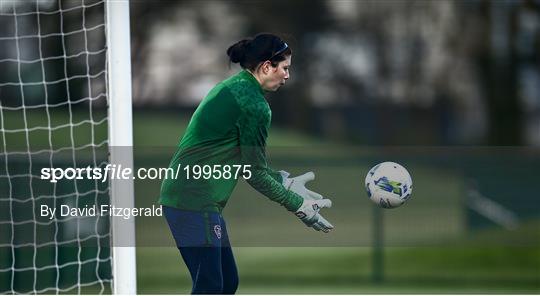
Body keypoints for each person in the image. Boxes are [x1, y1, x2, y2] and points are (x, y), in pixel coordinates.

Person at [159, 33, 333, 295]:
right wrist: (298, 206)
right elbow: (255, 174)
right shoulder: (254, 105)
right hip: (193, 202)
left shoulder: (231, 86)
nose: (287, 76)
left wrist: (284, 181)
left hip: (187, 199)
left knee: (227, 284)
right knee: (211, 287)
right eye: (285, 68)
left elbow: (249, 166)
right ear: (266, 67)